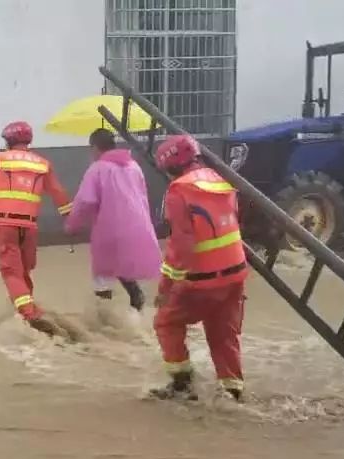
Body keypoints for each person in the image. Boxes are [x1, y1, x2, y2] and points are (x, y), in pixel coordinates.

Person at [150, 134, 249, 402]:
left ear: (171, 166)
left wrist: (165, 288)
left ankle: (182, 385)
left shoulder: (178, 190)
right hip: (236, 273)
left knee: (166, 322)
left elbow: (181, 246)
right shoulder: (221, 181)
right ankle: (232, 390)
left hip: (202, 279)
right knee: (223, 333)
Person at [0, 121, 74, 338]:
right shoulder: (42, 163)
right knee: (23, 272)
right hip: (29, 226)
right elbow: (58, 192)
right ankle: (28, 310)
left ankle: (30, 315)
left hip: (4, 225)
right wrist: (70, 219)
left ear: (8, 141)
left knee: (11, 273)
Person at [64, 129, 161, 324]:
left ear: (95, 147)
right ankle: (137, 313)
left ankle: (105, 323)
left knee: (103, 275)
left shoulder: (97, 169)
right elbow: (143, 196)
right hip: (139, 227)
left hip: (109, 230)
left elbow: (85, 201)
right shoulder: (134, 166)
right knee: (124, 269)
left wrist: (71, 225)